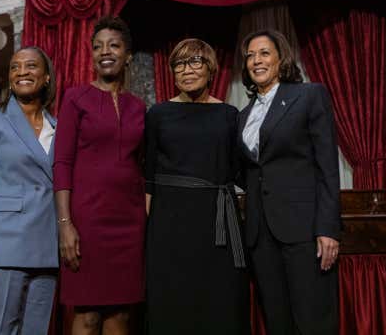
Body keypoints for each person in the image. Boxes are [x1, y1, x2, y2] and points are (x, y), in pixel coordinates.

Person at [237, 29, 340, 334]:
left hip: (303, 230)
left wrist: (327, 228)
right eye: (250, 55)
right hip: (260, 234)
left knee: (313, 321)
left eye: (264, 53)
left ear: (281, 58)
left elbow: (327, 168)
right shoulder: (243, 116)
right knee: (277, 322)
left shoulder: (308, 96)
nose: (256, 61)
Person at [145, 38, 250, 335]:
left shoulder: (230, 115)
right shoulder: (157, 114)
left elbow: (239, 171)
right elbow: (148, 177)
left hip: (218, 225)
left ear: (211, 69)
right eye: (179, 64)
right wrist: (148, 232)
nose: (186, 70)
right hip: (168, 224)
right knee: (171, 301)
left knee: (220, 301)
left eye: (195, 62)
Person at [54, 16, 146, 335]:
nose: (105, 51)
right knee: (88, 314)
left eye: (114, 45)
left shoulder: (139, 107)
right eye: (97, 46)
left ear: (128, 55)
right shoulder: (74, 98)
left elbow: (144, 167)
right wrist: (65, 225)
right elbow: (62, 163)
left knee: (121, 315)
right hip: (87, 220)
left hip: (129, 222)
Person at [0, 46, 59, 335]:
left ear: (46, 78)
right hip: (3, 246)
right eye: (15, 67)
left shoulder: (59, 127)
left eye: (31, 66)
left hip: (46, 248)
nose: (22, 72)